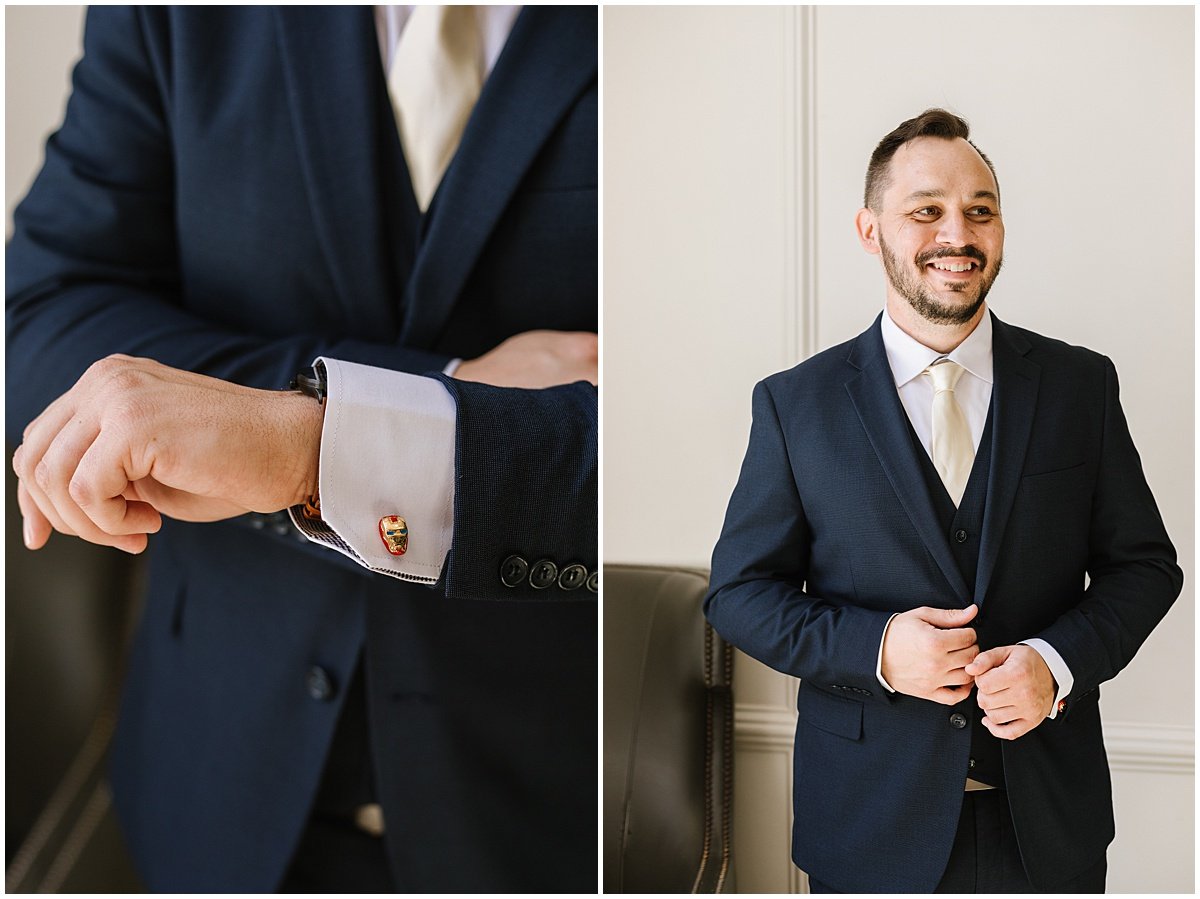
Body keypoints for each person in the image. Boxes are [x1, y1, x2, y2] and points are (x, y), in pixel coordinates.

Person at [7, 6, 596, 893]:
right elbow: (48, 316)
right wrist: (432, 390)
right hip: (214, 785)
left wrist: (317, 437)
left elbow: (719, 422)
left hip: (554, 809)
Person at [704, 108, 1181, 893]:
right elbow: (737, 595)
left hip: (1047, 828)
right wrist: (880, 649)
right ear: (871, 230)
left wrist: (1054, 664)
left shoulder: (1078, 386)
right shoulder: (797, 405)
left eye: (980, 210)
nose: (956, 233)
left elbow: (1146, 568)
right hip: (867, 825)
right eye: (926, 210)